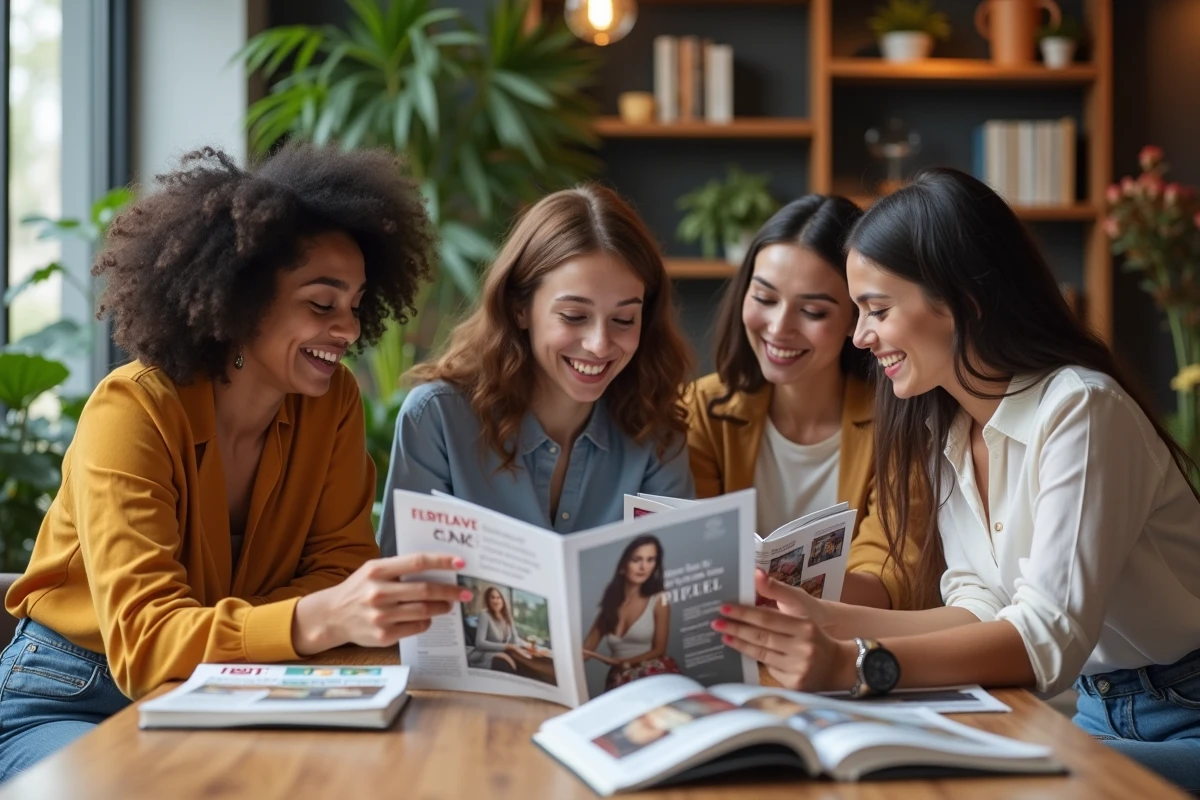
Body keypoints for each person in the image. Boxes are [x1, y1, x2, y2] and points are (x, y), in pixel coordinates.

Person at [712, 168, 1200, 792]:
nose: (861, 337)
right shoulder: (948, 426)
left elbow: (1043, 641)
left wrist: (850, 662)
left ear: (964, 303)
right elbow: (980, 609)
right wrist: (820, 616)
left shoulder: (1081, 409)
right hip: (1097, 713)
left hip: (1184, 715)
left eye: (877, 310)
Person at [0, 144, 469, 780]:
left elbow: (341, 564)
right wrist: (313, 615)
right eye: (321, 303)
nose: (350, 329)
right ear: (244, 299)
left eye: (356, 305)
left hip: (233, 685)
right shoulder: (132, 412)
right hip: (75, 696)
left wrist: (284, 619)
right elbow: (146, 645)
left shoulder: (330, 406)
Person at [377, 186, 695, 551]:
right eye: (574, 316)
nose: (600, 344)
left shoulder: (656, 430)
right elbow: (402, 584)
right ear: (519, 308)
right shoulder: (436, 418)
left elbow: (675, 585)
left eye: (624, 319)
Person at [685, 196, 931, 610]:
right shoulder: (703, 410)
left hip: (843, 644)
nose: (779, 328)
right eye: (764, 299)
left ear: (858, 318)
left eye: (813, 311)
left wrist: (774, 593)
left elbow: (890, 576)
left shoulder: (901, 421)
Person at [582, 535, 680, 691]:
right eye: (636, 560)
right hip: (619, 680)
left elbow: (660, 650)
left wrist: (626, 663)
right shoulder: (609, 605)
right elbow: (585, 652)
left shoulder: (659, 599)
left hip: (650, 674)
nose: (644, 567)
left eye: (650, 560)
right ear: (623, 566)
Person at [469, 586, 523, 673]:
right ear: (488, 600)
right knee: (504, 664)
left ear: (503, 600)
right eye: (492, 598)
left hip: (502, 654)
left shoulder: (508, 616)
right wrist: (506, 647)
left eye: (498, 597)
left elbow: (515, 639)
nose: (495, 601)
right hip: (483, 656)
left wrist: (529, 645)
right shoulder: (484, 614)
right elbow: (479, 643)